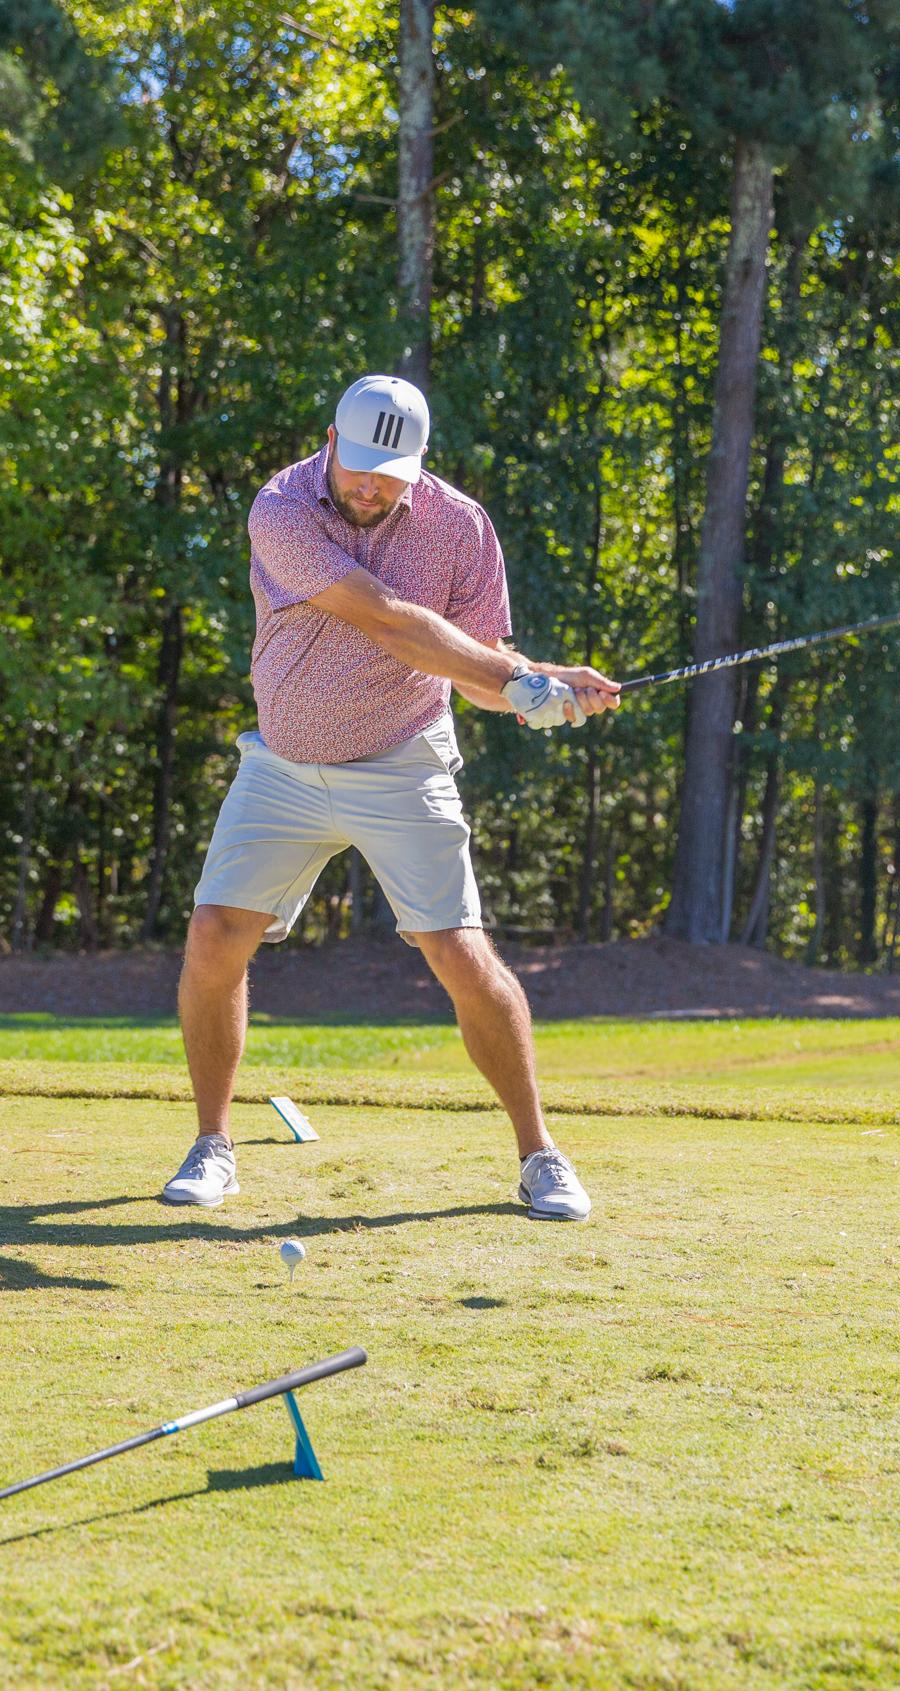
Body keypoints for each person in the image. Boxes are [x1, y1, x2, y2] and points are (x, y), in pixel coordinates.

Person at [162, 374, 620, 1222]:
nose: (370, 487)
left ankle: (539, 1154)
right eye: (360, 466)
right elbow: (387, 618)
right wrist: (519, 680)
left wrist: (540, 683)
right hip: (284, 764)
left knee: (459, 951)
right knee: (214, 931)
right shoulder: (282, 507)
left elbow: (477, 666)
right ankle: (213, 1144)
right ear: (330, 442)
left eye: (391, 473)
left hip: (403, 760)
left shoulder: (461, 526)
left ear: (419, 463)